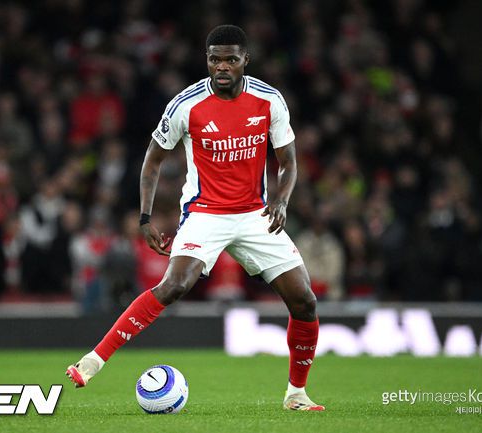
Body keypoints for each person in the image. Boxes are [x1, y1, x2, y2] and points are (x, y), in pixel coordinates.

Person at [66, 25, 324, 412]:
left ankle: (296, 394)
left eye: (231, 59)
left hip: (255, 215)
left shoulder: (269, 100)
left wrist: (282, 201)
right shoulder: (186, 105)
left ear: (245, 60)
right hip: (206, 214)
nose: (222, 67)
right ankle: (93, 360)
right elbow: (153, 160)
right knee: (174, 286)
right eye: (215, 59)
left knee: (304, 301)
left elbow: (287, 161)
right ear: (207, 60)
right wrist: (144, 217)